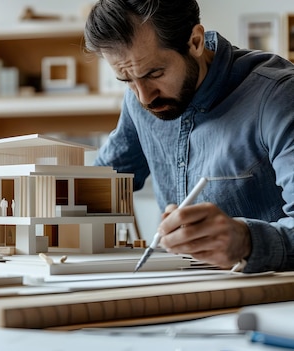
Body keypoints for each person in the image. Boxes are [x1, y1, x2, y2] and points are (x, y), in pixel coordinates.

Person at [84, 0, 294, 273]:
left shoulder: (278, 96)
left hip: (270, 303)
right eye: (127, 81)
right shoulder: (140, 98)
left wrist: (246, 241)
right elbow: (102, 185)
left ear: (195, 42)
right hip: (185, 290)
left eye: (155, 73)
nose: (144, 97)